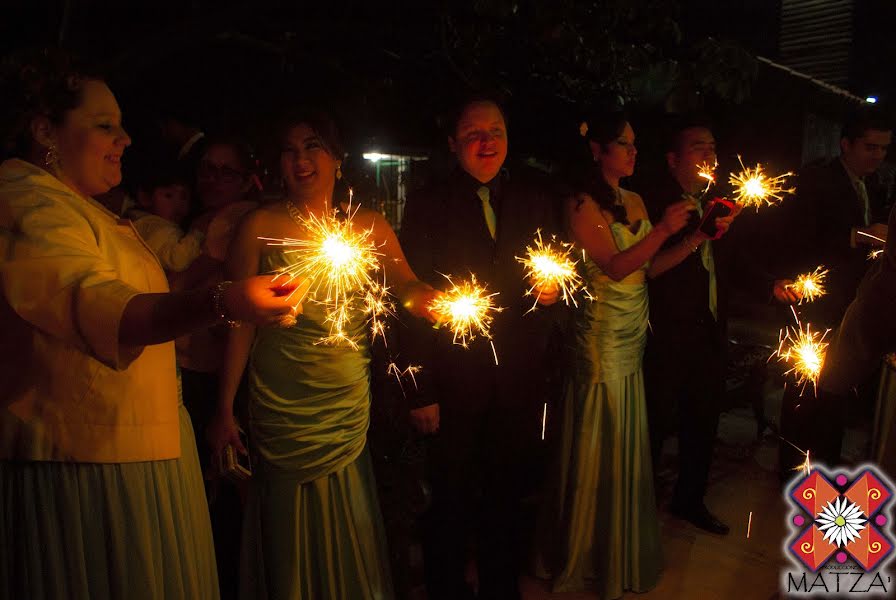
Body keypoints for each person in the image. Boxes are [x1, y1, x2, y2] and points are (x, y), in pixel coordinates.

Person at [0, 50, 298, 600]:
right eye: (105, 125)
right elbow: (102, 305)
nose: (126, 139)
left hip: (144, 452)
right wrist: (225, 301)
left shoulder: (87, 211)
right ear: (45, 129)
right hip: (88, 467)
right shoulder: (26, 202)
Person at [207, 109, 438, 600]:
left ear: (338, 158)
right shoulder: (258, 227)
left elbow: (406, 286)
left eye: (312, 146)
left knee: (348, 510)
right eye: (289, 150)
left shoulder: (369, 226)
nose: (301, 159)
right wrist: (225, 406)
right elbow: (239, 323)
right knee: (286, 518)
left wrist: (429, 301)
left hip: (345, 399)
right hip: (282, 400)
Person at [537, 113, 715, 595]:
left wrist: (697, 237)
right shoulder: (581, 204)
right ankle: (583, 549)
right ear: (596, 150)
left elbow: (649, 270)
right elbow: (615, 267)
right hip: (598, 336)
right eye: (623, 144)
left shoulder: (634, 198)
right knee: (599, 435)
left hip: (632, 333)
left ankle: (615, 545)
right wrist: (661, 228)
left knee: (627, 437)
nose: (634, 152)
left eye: (636, 144)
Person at [398, 95, 566, 600]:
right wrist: (419, 388)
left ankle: (500, 586)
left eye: (495, 130)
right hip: (452, 379)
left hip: (518, 378)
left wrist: (551, 291)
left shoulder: (534, 197)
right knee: (448, 498)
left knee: (507, 495)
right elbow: (405, 297)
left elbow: (554, 263)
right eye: (473, 133)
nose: (486, 142)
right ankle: (448, 587)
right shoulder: (429, 203)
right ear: (453, 144)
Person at [637, 116, 740, 535]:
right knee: (657, 422)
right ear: (673, 159)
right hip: (668, 331)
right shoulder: (658, 204)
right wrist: (692, 235)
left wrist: (772, 284)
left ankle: (690, 499)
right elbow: (649, 269)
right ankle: (640, 507)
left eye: (713, 147)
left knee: (704, 421)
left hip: (709, 329)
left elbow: (731, 261)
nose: (710, 155)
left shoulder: (718, 200)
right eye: (699, 147)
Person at [778, 109, 892, 473]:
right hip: (816, 298)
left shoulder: (873, 185)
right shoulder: (818, 180)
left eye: (884, 149)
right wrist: (858, 234)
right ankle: (792, 470)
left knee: (836, 391)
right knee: (804, 386)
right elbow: (798, 236)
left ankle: (825, 466)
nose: (877, 156)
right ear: (846, 144)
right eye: (870, 147)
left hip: (853, 301)